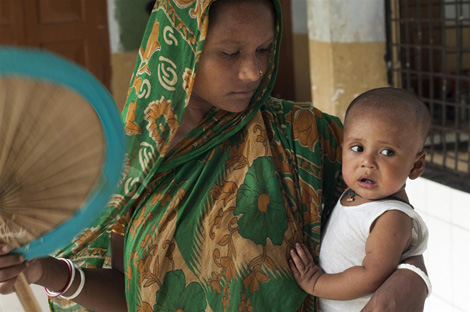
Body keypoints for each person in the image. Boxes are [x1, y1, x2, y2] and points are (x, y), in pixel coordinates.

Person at [0, 1, 429, 311]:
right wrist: (40, 272)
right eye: (230, 53)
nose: (254, 71)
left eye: (264, 49)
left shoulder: (306, 135)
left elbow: (386, 220)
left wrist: (413, 278)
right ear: (180, 49)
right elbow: (130, 294)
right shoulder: (131, 165)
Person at [289, 87, 432, 311]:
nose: (367, 162)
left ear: (416, 165)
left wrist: (315, 282)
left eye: (387, 152)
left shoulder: (390, 217)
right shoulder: (354, 192)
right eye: (357, 148)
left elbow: (371, 276)